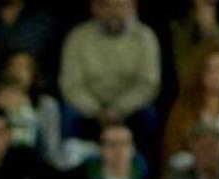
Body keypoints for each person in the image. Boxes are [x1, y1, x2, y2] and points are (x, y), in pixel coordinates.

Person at [58, 0, 161, 144]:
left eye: (120, 6)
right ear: (94, 7)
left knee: (149, 115)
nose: (114, 12)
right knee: (69, 115)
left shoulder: (146, 38)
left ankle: (141, 164)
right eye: (107, 6)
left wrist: (119, 109)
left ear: (133, 8)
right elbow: (71, 85)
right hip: (90, 108)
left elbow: (148, 84)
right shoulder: (78, 37)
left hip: (129, 108)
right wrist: (97, 111)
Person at [161, 44, 219, 175]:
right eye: (209, 70)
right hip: (190, 176)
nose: (215, 76)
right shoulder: (183, 107)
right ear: (200, 73)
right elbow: (172, 147)